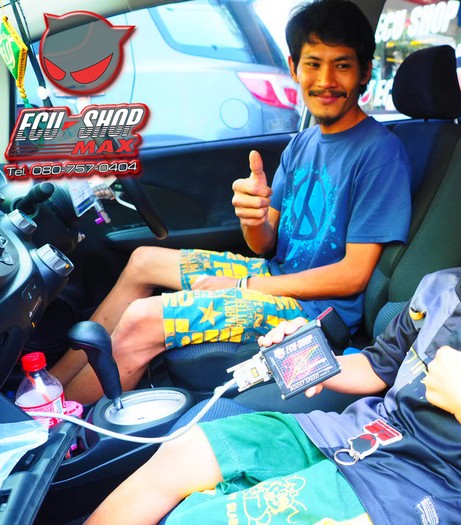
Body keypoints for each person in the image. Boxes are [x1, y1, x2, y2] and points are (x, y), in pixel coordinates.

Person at [85, 113, 461, 525]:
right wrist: (309, 358)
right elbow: (379, 366)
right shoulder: (437, 287)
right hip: (359, 432)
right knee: (184, 452)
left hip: (425, 490)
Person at [52, 0, 412, 405]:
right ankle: (49, 387)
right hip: (276, 276)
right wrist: (252, 220)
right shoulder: (302, 143)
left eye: (341, 65)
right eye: (313, 64)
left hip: (314, 314)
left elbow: (353, 276)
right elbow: (265, 244)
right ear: (294, 68)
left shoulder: (380, 153)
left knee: (141, 319)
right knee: (143, 260)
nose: (326, 80)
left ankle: (61, 425)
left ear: (364, 72)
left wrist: (243, 285)